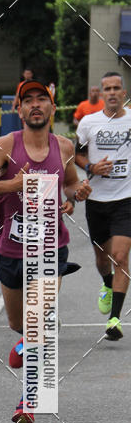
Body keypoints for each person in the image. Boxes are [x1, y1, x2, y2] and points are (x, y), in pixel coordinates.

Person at [0, 80, 91, 423]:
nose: (35, 104)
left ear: (52, 108)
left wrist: (76, 193)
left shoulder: (64, 146)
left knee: (36, 322)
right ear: (19, 110)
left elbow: (69, 183)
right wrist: (12, 184)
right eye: (28, 100)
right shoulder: (6, 145)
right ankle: (26, 340)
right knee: (18, 324)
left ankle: (28, 401)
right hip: (11, 250)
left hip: (51, 247)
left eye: (42, 99)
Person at [75, 71, 131, 341]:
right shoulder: (89, 122)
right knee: (102, 259)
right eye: (107, 88)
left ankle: (115, 319)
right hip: (97, 200)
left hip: (126, 199)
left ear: (123, 93)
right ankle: (107, 284)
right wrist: (91, 167)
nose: (111, 93)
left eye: (116, 88)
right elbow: (77, 155)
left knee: (120, 257)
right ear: (101, 93)